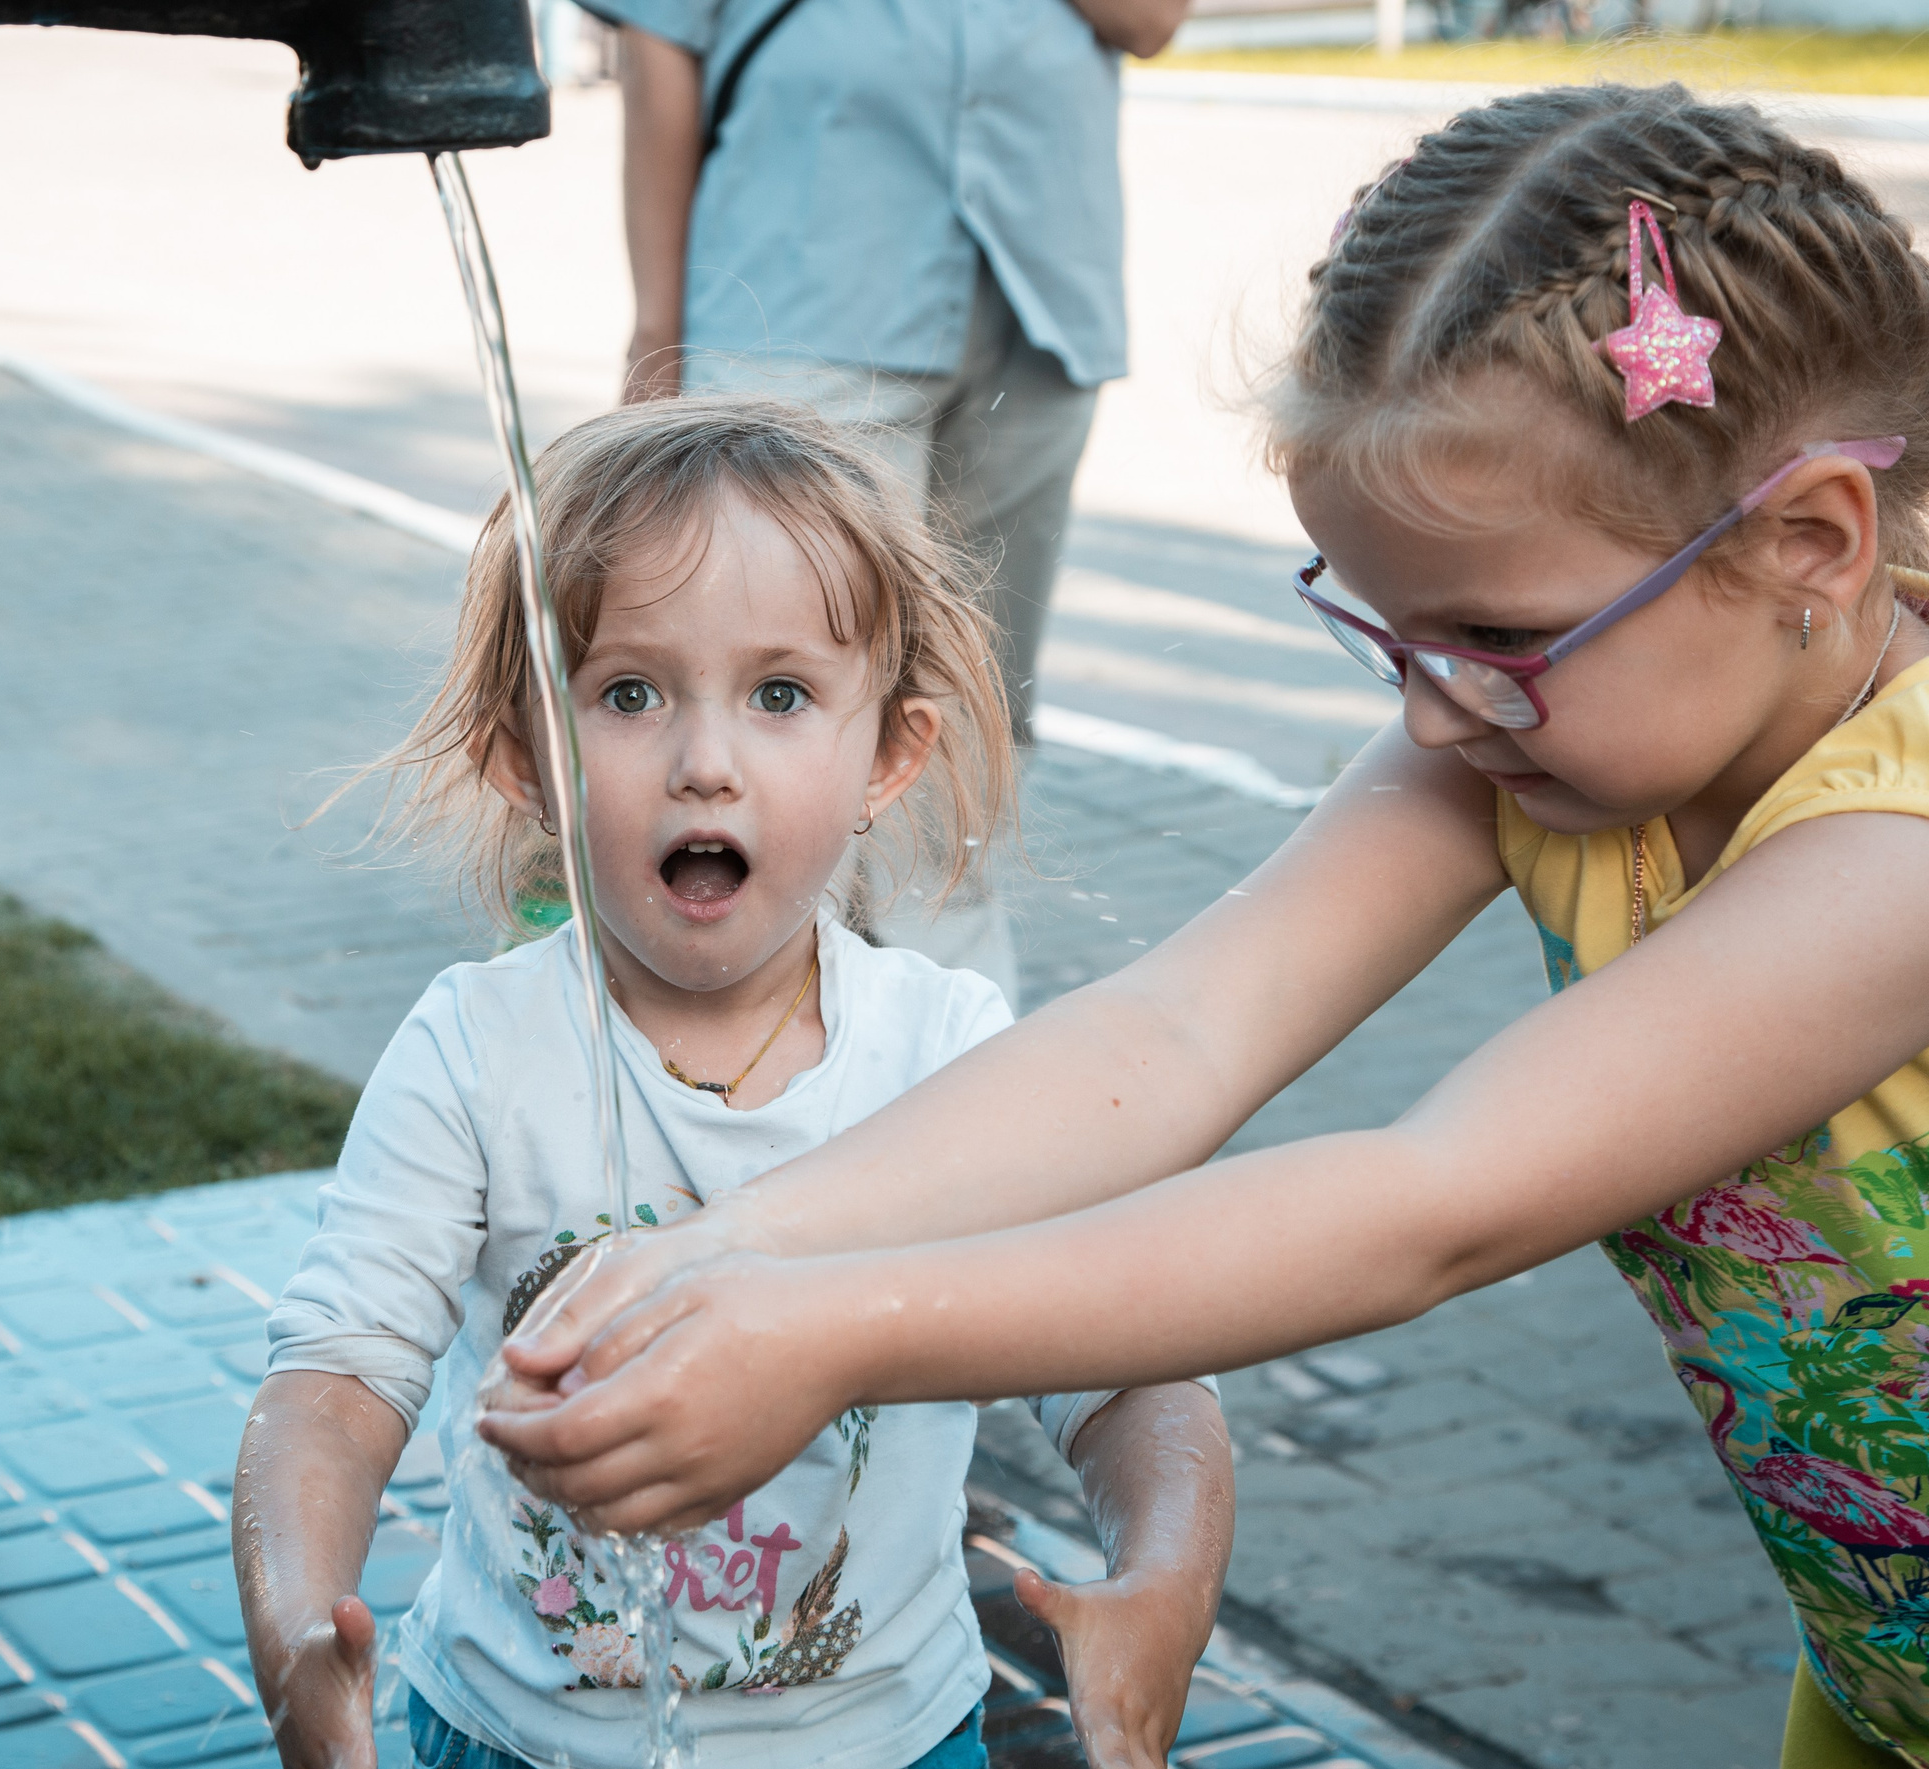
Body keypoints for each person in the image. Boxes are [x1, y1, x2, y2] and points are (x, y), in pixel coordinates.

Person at [484, 86, 1929, 1769]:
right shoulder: (1531, 734)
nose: (1441, 713)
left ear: (1809, 543)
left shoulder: (1896, 856)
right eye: (1386, 634)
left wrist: (836, 1327)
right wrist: (735, 1245)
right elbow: (1176, 1031)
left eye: (1499, 635)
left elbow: (1431, 1204)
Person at [233, 397, 1236, 1769]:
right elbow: (335, 1380)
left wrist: (1163, 1583)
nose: (707, 761)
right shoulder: (479, 1050)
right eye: (630, 693)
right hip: (521, 1737)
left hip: (886, 1739)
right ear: (526, 754)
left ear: (891, 753)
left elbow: (1130, 1366)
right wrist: (295, 1625)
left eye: (779, 695)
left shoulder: (945, 1052)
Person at [582, 0, 1188, 994]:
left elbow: (1149, 19)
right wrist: (657, 333)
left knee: (970, 710)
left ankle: (946, 1041)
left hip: (1037, 289)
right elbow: (660, 49)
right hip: (802, 294)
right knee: (770, 691)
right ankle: (743, 1046)